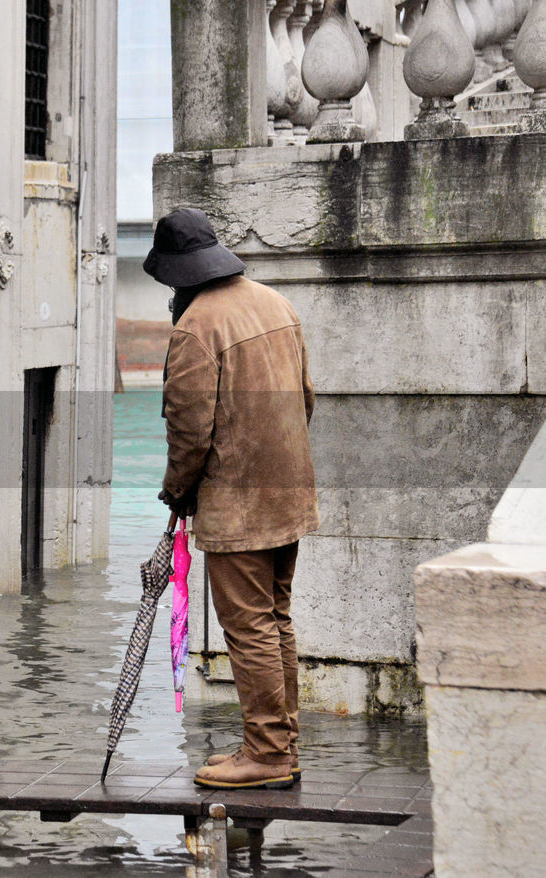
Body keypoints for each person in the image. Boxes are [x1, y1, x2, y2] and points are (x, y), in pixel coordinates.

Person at [144, 208, 318, 790]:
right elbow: (307, 399)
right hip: (288, 492)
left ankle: (267, 754)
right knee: (274, 618)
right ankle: (277, 743)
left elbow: (190, 432)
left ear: (178, 274)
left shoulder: (197, 327)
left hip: (239, 503)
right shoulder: (277, 304)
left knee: (247, 627)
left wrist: (176, 492)